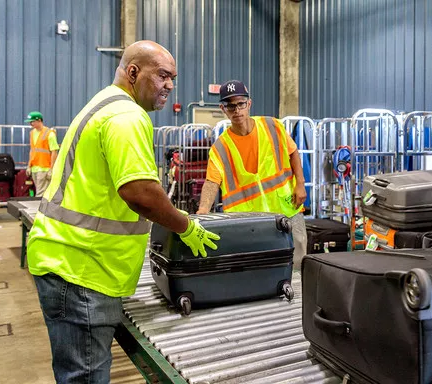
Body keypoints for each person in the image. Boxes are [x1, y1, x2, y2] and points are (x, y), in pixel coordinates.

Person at [27, 40, 220, 384]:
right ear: (133, 72)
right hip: (82, 271)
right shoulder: (126, 116)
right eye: (162, 75)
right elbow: (140, 193)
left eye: (172, 78)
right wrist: (186, 226)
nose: (169, 85)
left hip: (68, 262)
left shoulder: (103, 104)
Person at [196, 79, 308, 266]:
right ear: (223, 109)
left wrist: (300, 184)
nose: (236, 110)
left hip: (287, 209)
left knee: (297, 261)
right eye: (230, 106)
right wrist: (202, 212)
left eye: (240, 104)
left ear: (249, 103)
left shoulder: (272, 126)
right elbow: (211, 182)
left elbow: (293, 152)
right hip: (250, 221)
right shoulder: (220, 147)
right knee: (260, 266)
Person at [24, 111, 58, 194]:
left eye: (32, 121)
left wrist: (52, 169)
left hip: (44, 168)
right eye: (30, 122)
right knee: (40, 191)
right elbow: (32, 150)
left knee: (40, 193)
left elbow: (54, 152)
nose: (31, 124)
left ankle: (40, 203)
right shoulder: (32, 133)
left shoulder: (49, 134)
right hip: (34, 167)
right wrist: (29, 166)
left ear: (39, 120)